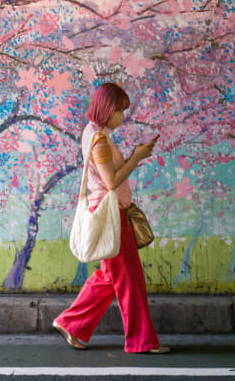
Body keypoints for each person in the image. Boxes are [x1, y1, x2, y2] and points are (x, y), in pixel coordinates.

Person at [52, 82, 169, 354]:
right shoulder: (99, 139)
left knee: (110, 277)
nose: (122, 116)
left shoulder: (96, 132)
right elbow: (111, 180)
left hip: (111, 211)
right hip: (110, 214)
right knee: (130, 279)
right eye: (119, 110)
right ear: (107, 109)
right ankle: (141, 341)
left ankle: (71, 323)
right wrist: (136, 157)